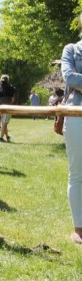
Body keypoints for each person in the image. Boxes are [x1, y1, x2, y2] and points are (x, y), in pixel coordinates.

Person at [60, 19, 82, 245]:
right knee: (77, 173)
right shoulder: (72, 49)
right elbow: (70, 78)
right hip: (77, 115)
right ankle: (79, 229)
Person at [0, 74, 16, 142]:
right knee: (4, 123)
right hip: (8, 107)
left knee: (3, 123)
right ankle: (1, 138)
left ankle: (7, 136)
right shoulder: (12, 88)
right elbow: (13, 99)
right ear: (8, 80)